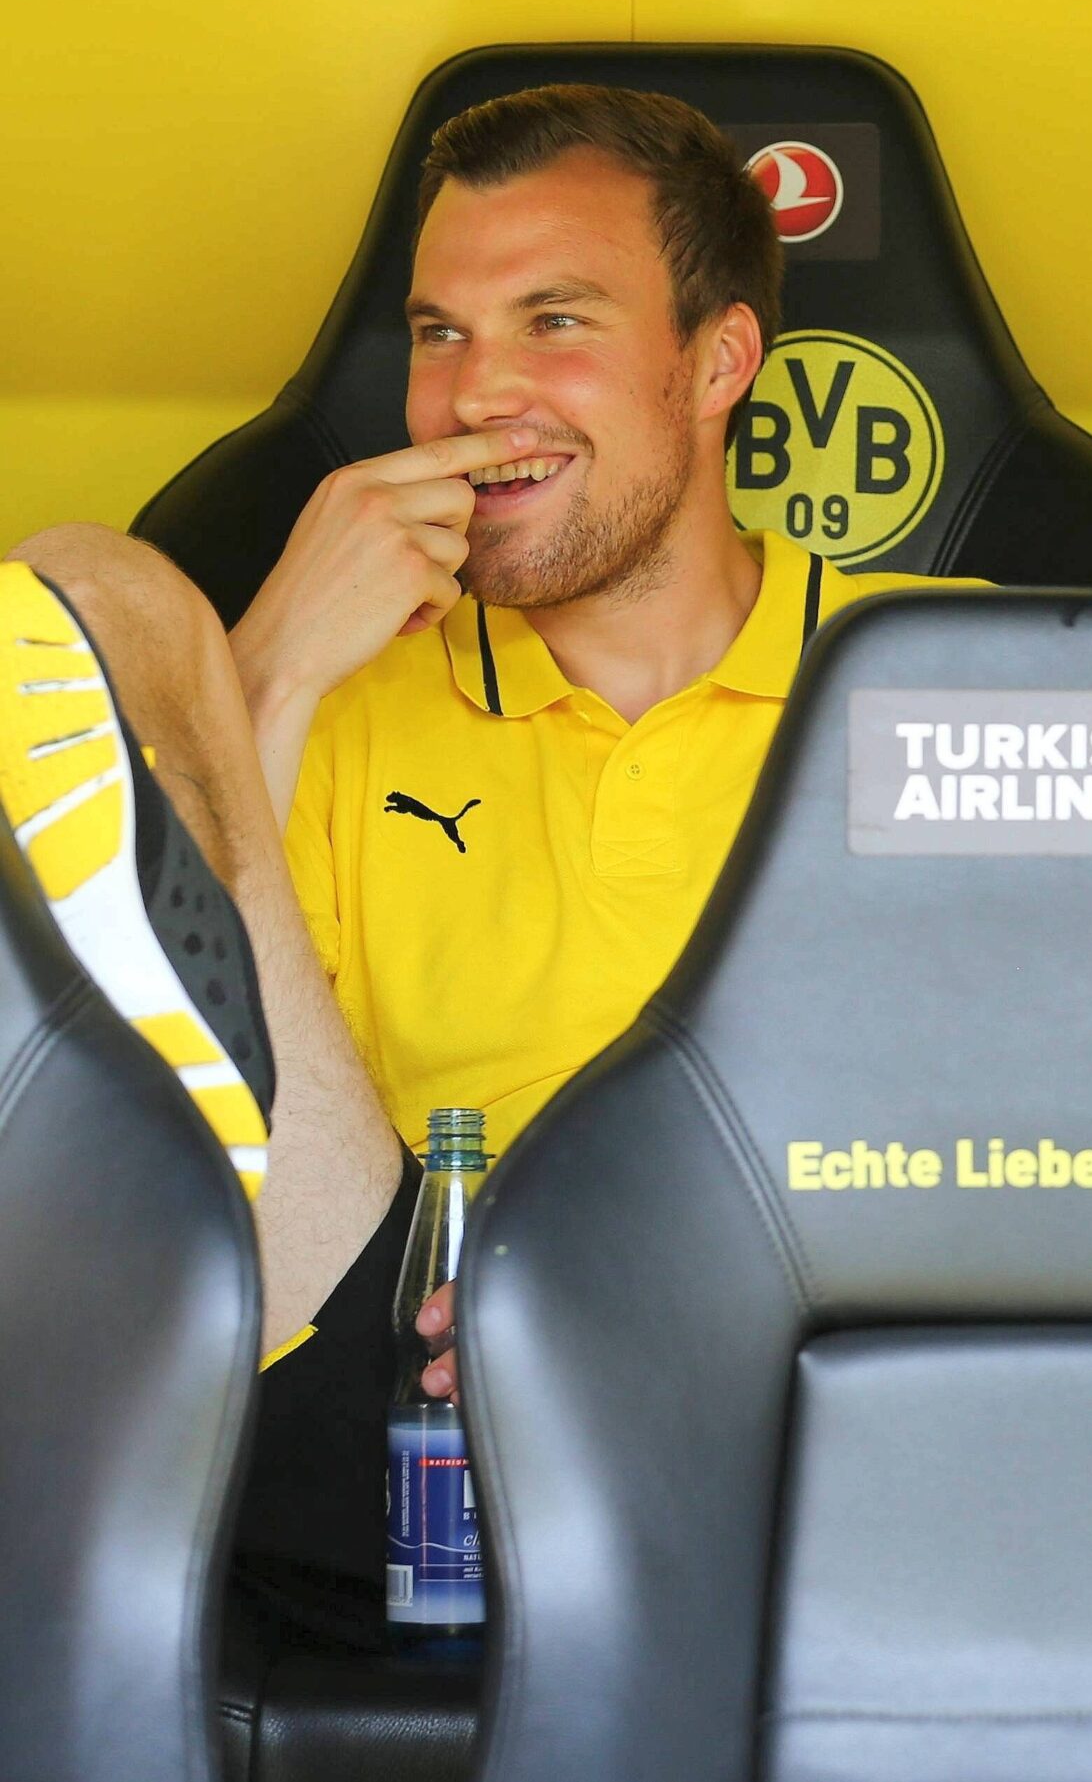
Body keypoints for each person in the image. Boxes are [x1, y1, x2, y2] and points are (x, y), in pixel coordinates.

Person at [0, 83, 965, 1649]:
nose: (471, 392)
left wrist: (702, 1298)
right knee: (87, 584)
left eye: (553, 321)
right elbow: (157, 1142)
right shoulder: (353, 695)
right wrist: (272, 675)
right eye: (439, 333)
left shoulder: (944, 670)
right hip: (407, 1395)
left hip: (828, 1384)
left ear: (719, 362)